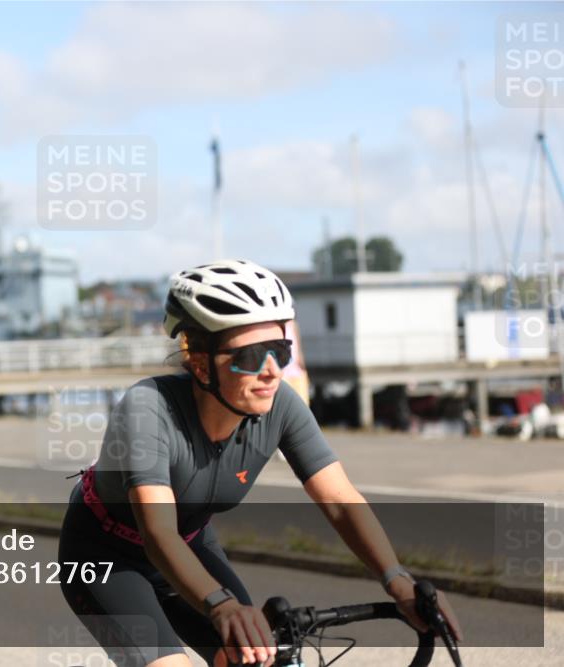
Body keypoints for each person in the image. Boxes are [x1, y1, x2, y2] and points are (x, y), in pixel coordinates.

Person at [56, 259, 463, 667]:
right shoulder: (147, 408)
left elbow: (339, 500)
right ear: (200, 361)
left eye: (280, 351)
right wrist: (221, 605)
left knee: (257, 660)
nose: (271, 371)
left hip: (192, 547)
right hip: (105, 557)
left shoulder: (281, 404)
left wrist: (398, 580)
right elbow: (158, 532)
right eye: (250, 356)